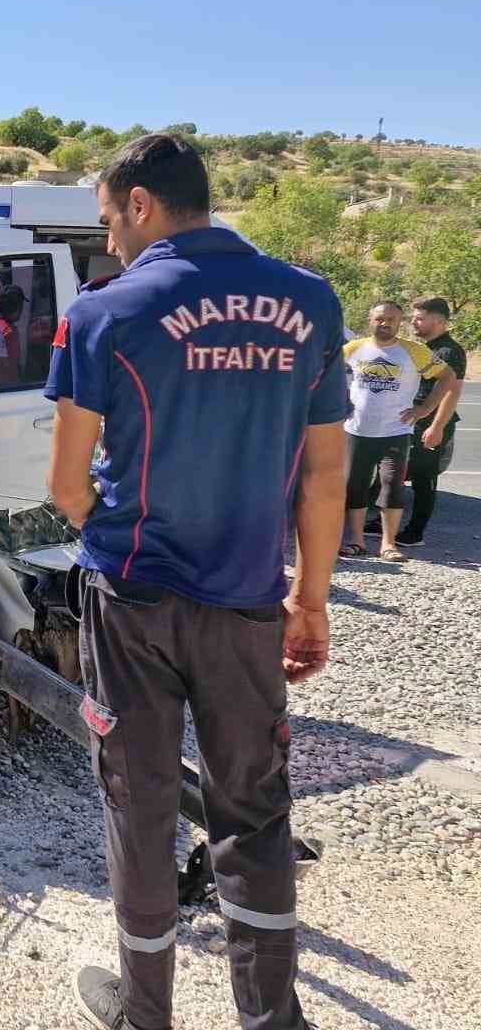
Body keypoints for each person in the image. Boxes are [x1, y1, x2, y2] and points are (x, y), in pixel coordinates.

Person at [45, 133, 348, 1030]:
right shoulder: (312, 302)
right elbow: (326, 475)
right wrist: (312, 599)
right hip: (250, 602)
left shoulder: (105, 310)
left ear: (139, 204)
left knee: (140, 805)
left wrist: (105, 527)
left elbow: (65, 486)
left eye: (107, 219)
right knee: (253, 813)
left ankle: (146, 1015)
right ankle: (270, 1019)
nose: (106, 242)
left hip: (134, 599)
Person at [339, 300, 456, 561]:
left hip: (395, 431)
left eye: (391, 319)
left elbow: (447, 377)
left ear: (399, 322)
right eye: (380, 318)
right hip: (357, 430)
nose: (385, 323)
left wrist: (424, 410)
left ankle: (388, 545)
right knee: (354, 486)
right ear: (371, 321)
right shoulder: (354, 349)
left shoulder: (414, 351)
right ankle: (356, 542)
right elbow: (326, 374)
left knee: (392, 485)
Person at [366, 296, 466, 546]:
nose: (414, 323)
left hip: (430, 425)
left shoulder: (449, 351)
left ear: (440, 321)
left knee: (424, 478)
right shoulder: (424, 348)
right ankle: (384, 521)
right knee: (397, 473)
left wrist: (437, 427)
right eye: (413, 318)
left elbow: (452, 391)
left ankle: (415, 532)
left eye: (420, 319)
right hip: (411, 423)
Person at [0, 286, 28, 381]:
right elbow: (10, 368)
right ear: (16, 308)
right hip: (6, 389)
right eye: (21, 306)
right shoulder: (9, 332)